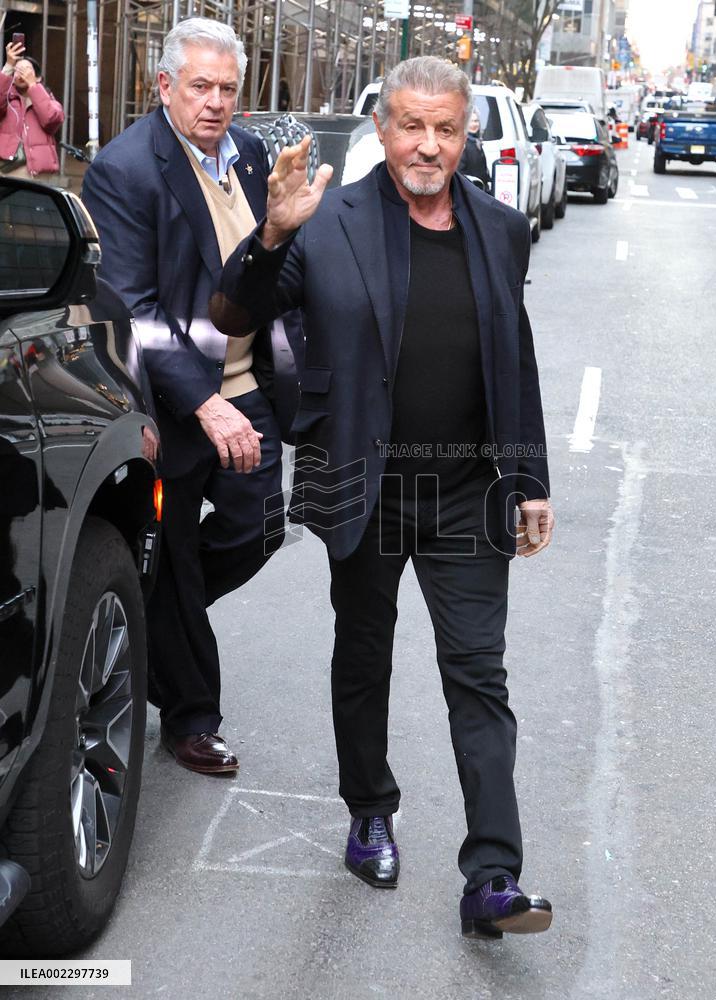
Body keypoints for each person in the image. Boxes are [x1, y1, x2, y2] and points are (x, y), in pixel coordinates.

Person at [212, 56, 556, 938]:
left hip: (468, 489)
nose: (427, 145)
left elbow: (512, 362)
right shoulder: (327, 223)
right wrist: (272, 236)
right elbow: (233, 315)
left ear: (466, 132)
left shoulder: (499, 226)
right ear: (382, 126)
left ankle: (493, 878)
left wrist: (530, 481)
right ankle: (370, 813)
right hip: (357, 477)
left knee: (478, 674)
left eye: (446, 128)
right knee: (363, 657)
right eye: (411, 125)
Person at [82, 18, 300, 775]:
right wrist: (203, 405)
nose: (214, 103)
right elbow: (133, 308)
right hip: (171, 403)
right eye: (199, 86)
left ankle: (149, 625)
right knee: (174, 556)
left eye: (227, 89)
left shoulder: (247, 153)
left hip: (247, 384)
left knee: (260, 525)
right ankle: (191, 716)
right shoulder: (126, 169)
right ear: (164, 85)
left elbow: (267, 265)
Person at [0, 42, 64, 178]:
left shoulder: (47, 99)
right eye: (17, 70)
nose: (21, 73)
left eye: (27, 70)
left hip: (39, 172)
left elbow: (52, 119)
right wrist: (8, 66)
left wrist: (33, 86)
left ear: (38, 77)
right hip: (9, 169)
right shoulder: (7, 98)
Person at [457, 108, 490, 191]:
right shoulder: (463, 144)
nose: (474, 124)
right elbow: (461, 173)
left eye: (476, 121)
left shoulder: (476, 142)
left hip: (481, 190)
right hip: (471, 191)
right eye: (470, 121)